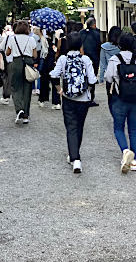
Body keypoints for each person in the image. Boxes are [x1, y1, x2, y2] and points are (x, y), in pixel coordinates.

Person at [50, 32, 97, 174]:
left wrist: (60, 90)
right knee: (80, 126)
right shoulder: (86, 59)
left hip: (68, 98)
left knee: (71, 127)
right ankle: (75, 154)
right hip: (83, 99)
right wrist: (86, 90)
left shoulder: (63, 59)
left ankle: (75, 158)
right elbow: (93, 80)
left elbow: (53, 75)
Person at [104, 31, 136, 174]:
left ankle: (125, 151)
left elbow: (108, 78)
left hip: (119, 98)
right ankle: (133, 161)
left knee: (118, 128)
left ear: (120, 44)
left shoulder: (115, 59)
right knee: (133, 130)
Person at [0, 20, 37, 124]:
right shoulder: (31, 39)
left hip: (16, 62)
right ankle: (26, 115)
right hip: (28, 63)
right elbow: (35, 55)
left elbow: (7, 53)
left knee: (15, 87)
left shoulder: (12, 39)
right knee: (27, 88)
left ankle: (19, 108)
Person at [99, 25, 122, 111]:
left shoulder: (104, 47)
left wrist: (101, 78)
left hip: (110, 76)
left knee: (111, 96)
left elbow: (102, 64)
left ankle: (115, 115)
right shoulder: (122, 47)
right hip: (122, 75)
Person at [80, 17, 102, 105]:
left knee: (83, 77)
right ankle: (91, 97)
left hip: (83, 58)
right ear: (94, 24)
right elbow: (98, 46)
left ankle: (83, 96)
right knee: (92, 78)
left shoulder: (81, 33)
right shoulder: (96, 34)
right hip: (94, 58)